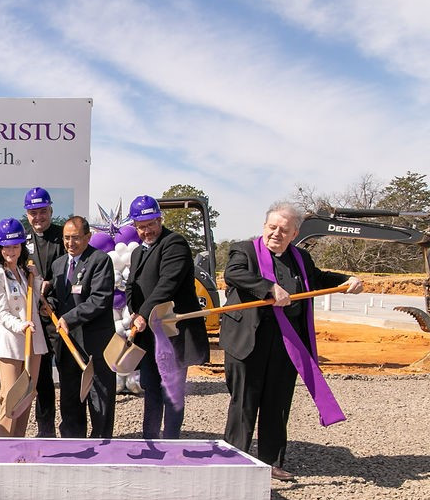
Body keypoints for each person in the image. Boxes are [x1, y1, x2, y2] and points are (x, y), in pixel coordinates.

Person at [221, 202, 363, 481]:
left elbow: (318, 279)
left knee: (277, 403)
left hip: (287, 344)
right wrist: (268, 287)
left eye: (283, 230)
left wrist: (348, 279)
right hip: (248, 340)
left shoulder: (301, 258)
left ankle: (271, 462)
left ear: (294, 233)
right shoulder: (244, 250)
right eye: (272, 227)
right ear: (264, 226)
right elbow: (234, 274)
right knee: (244, 403)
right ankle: (235, 459)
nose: (276, 233)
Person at [125, 195, 208, 440]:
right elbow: (132, 286)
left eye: (151, 224)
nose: (147, 230)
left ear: (160, 219)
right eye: (141, 226)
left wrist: (143, 312)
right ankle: (150, 440)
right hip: (150, 336)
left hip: (174, 335)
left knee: (171, 391)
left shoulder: (175, 244)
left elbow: (166, 286)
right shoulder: (138, 253)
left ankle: (170, 442)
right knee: (151, 388)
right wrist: (134, 311)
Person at [48, 216, 116, 438]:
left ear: (87, 237)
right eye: (66, 238)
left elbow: (99, 299)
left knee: (99, 396)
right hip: (68, 345)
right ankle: (72, 442)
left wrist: (69, 318)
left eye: (76, 238)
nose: (70, 243)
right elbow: (59, 299)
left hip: (94, 344)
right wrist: (48, 306)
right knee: (70, 396)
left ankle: (101, 442)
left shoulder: (100, 261)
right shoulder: (58, 265)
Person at [0, 218, 47, 437]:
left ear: (21, 247)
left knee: (28, 395)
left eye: (15, 245)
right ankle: (4, 446)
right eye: (7, 246)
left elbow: (36, 297)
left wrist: (35, 276)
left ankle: (19, 443)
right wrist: (20, 326)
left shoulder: (23, 272)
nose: (11, 250)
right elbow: (1, 312)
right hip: (12, 342)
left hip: (33, 342)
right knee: (11, 396)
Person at [23, 186, 63, 437]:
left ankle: (71, 427)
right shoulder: (23, 240)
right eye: (33, 213)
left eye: (42, 212)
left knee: (68, 377)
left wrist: (51, 285)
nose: (38, 217)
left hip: (59, 317)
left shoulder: (63, 236)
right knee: (42, 379)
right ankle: (45, 430)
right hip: (35, 318)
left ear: (50, 210)